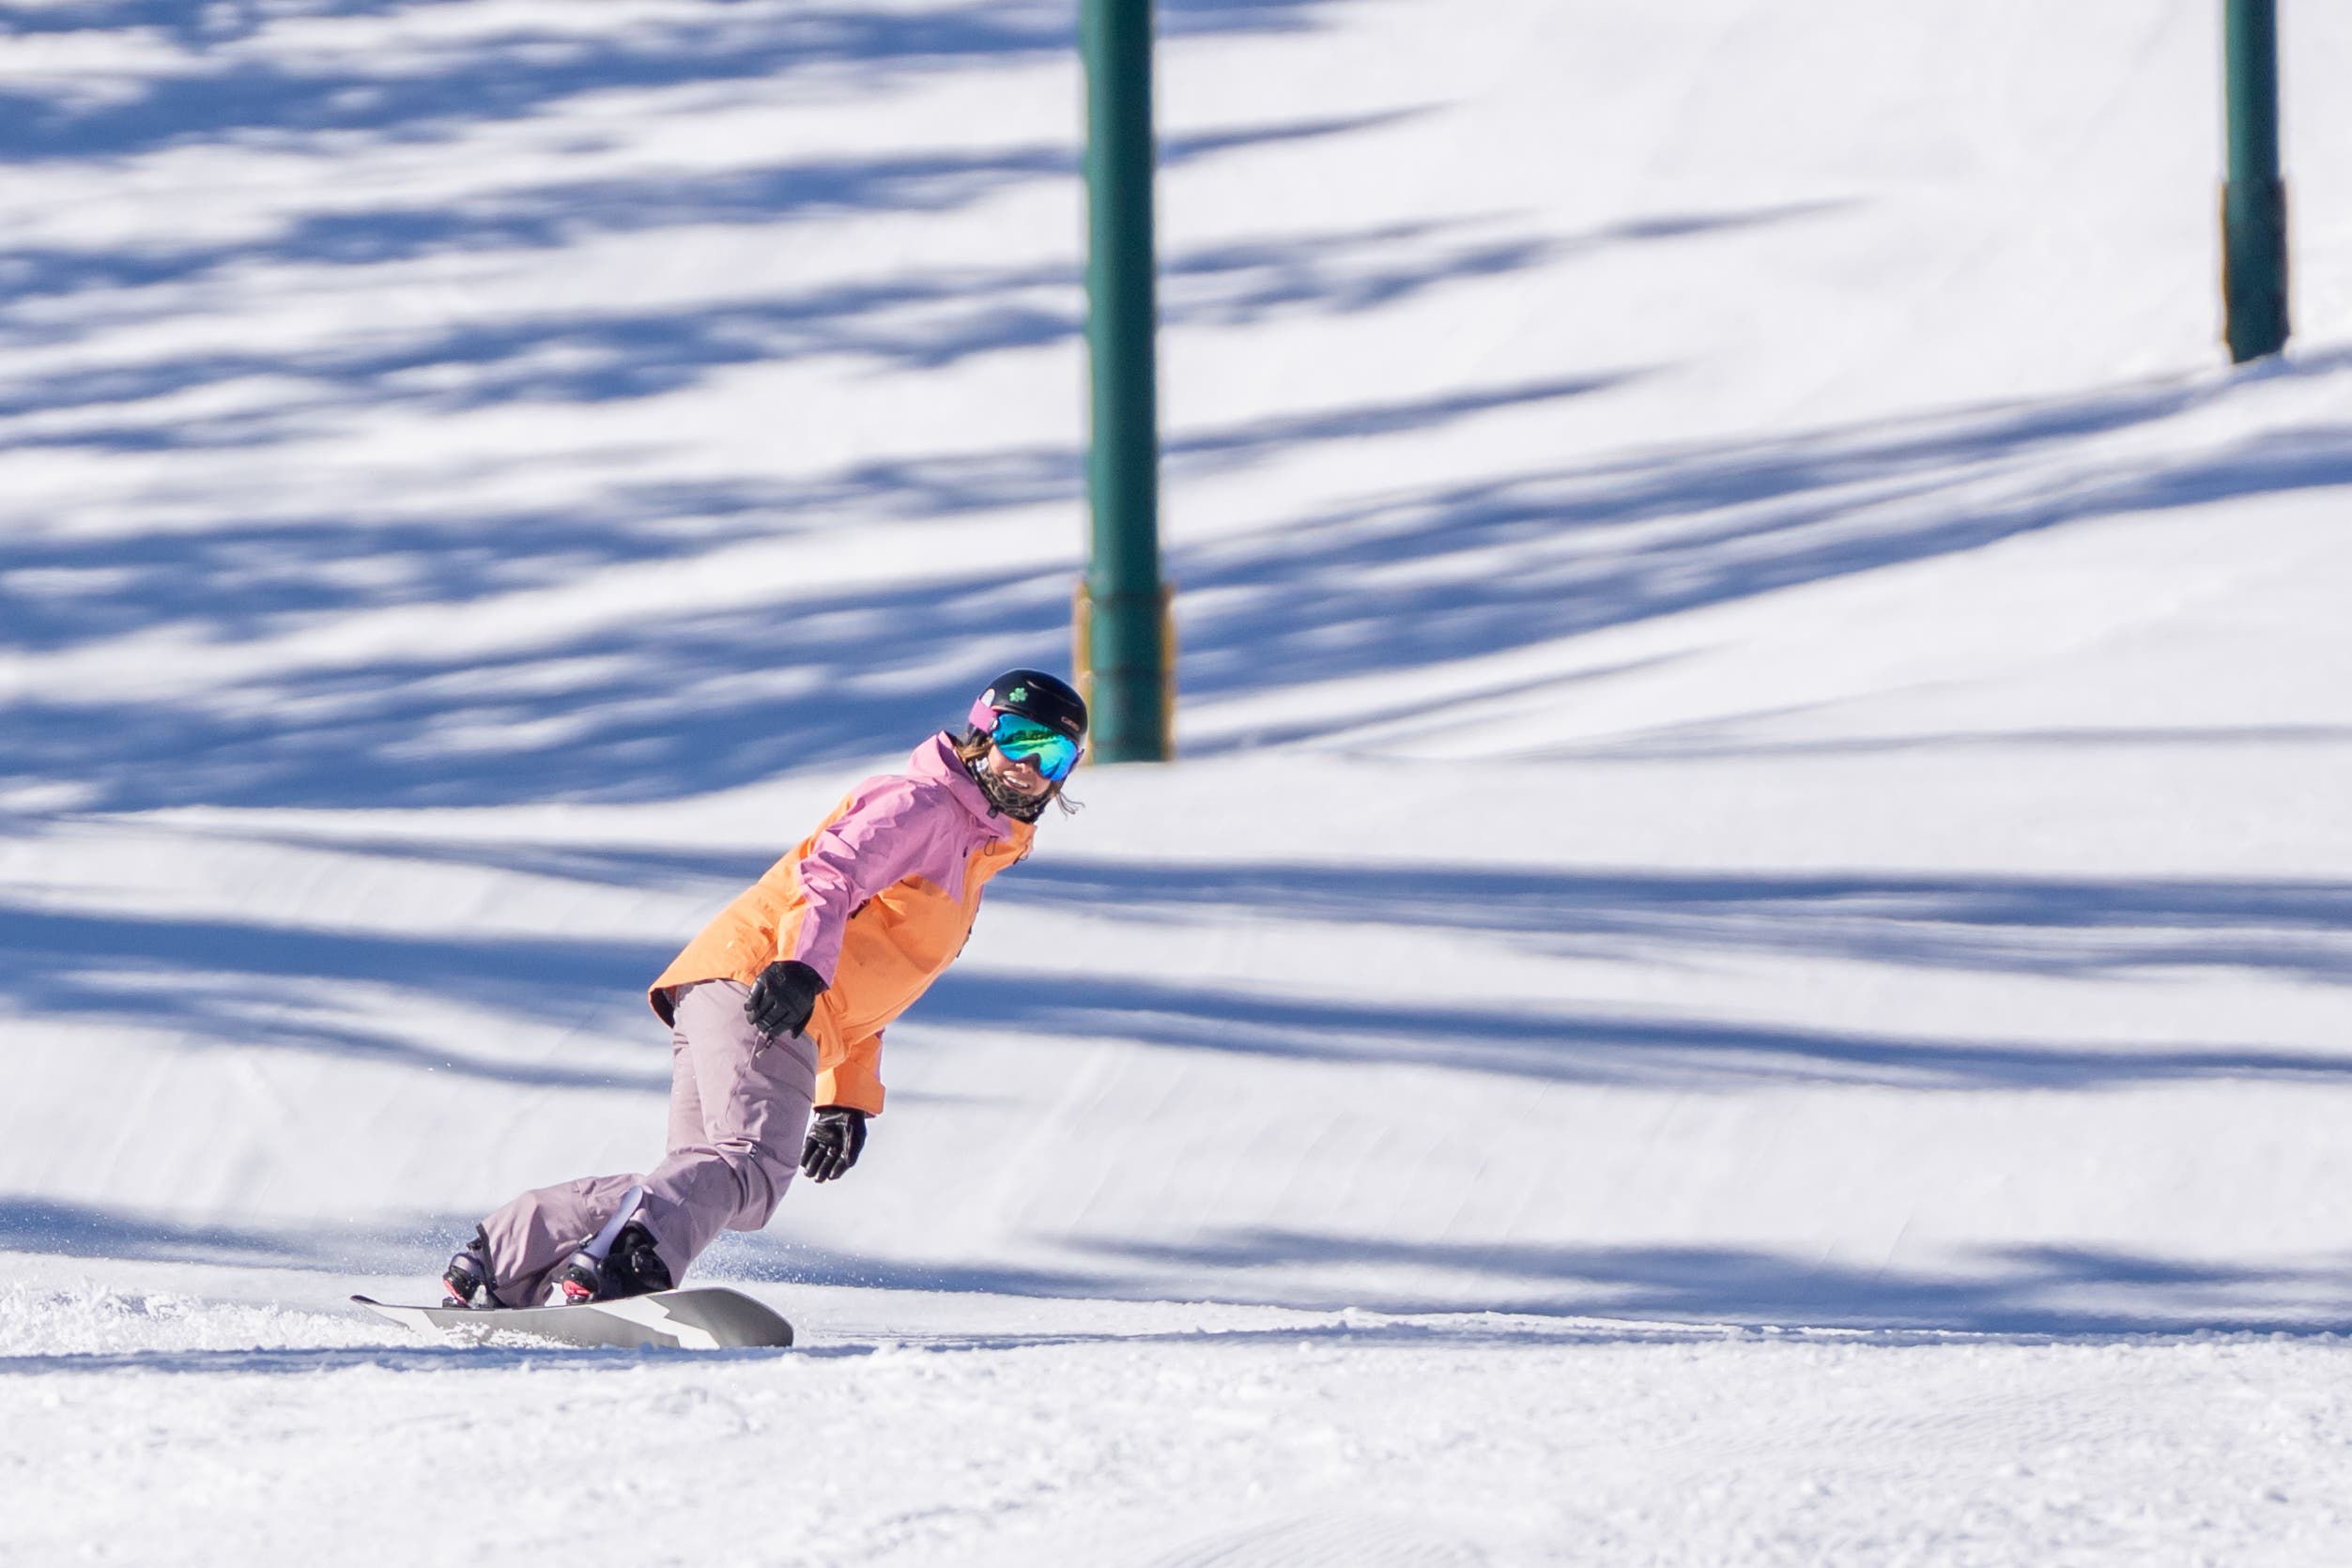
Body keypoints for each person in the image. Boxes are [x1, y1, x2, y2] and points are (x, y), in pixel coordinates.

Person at [438, 669, 1088, 1309]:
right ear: (980, 734)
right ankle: (625, 1267)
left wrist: (847, 1097)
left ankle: (508, 1254)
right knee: (747, 1171)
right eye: (1019, 740)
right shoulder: (923, 805)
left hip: (746, 988)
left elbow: (875, 971)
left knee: (708, 1178)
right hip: (766, 986)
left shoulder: (970, 853)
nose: (1030, 766)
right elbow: (831, 873)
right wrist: (799, 966)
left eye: (1053, 754)